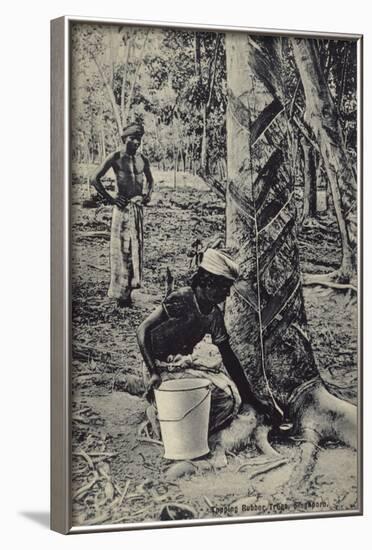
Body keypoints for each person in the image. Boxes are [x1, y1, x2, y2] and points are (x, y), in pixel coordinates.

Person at [136, 248, 274, 436]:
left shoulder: (214, 315)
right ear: (208, 282)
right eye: (224, 287)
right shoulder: (182, 298)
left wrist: (251, 398)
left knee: (229, 398)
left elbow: (229, 357)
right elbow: (142, 329)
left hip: (180, 366)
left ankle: (184, 426)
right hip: (157, 367)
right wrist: (152, 372)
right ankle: (161, 417)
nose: (227, 294)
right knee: (203, 398)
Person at [91, 123, 154, 307]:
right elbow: (94, 179)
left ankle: (130, 290)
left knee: (135, 248)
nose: (136, 142)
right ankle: (120, 295)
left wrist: (147, 196)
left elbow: (150, 180)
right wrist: (111, 199)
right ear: (124, 139)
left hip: (136, 209)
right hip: (122, 208)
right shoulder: (116, 157)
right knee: (121, 250)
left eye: (139, 139)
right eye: (132, 138)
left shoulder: (143, 159)